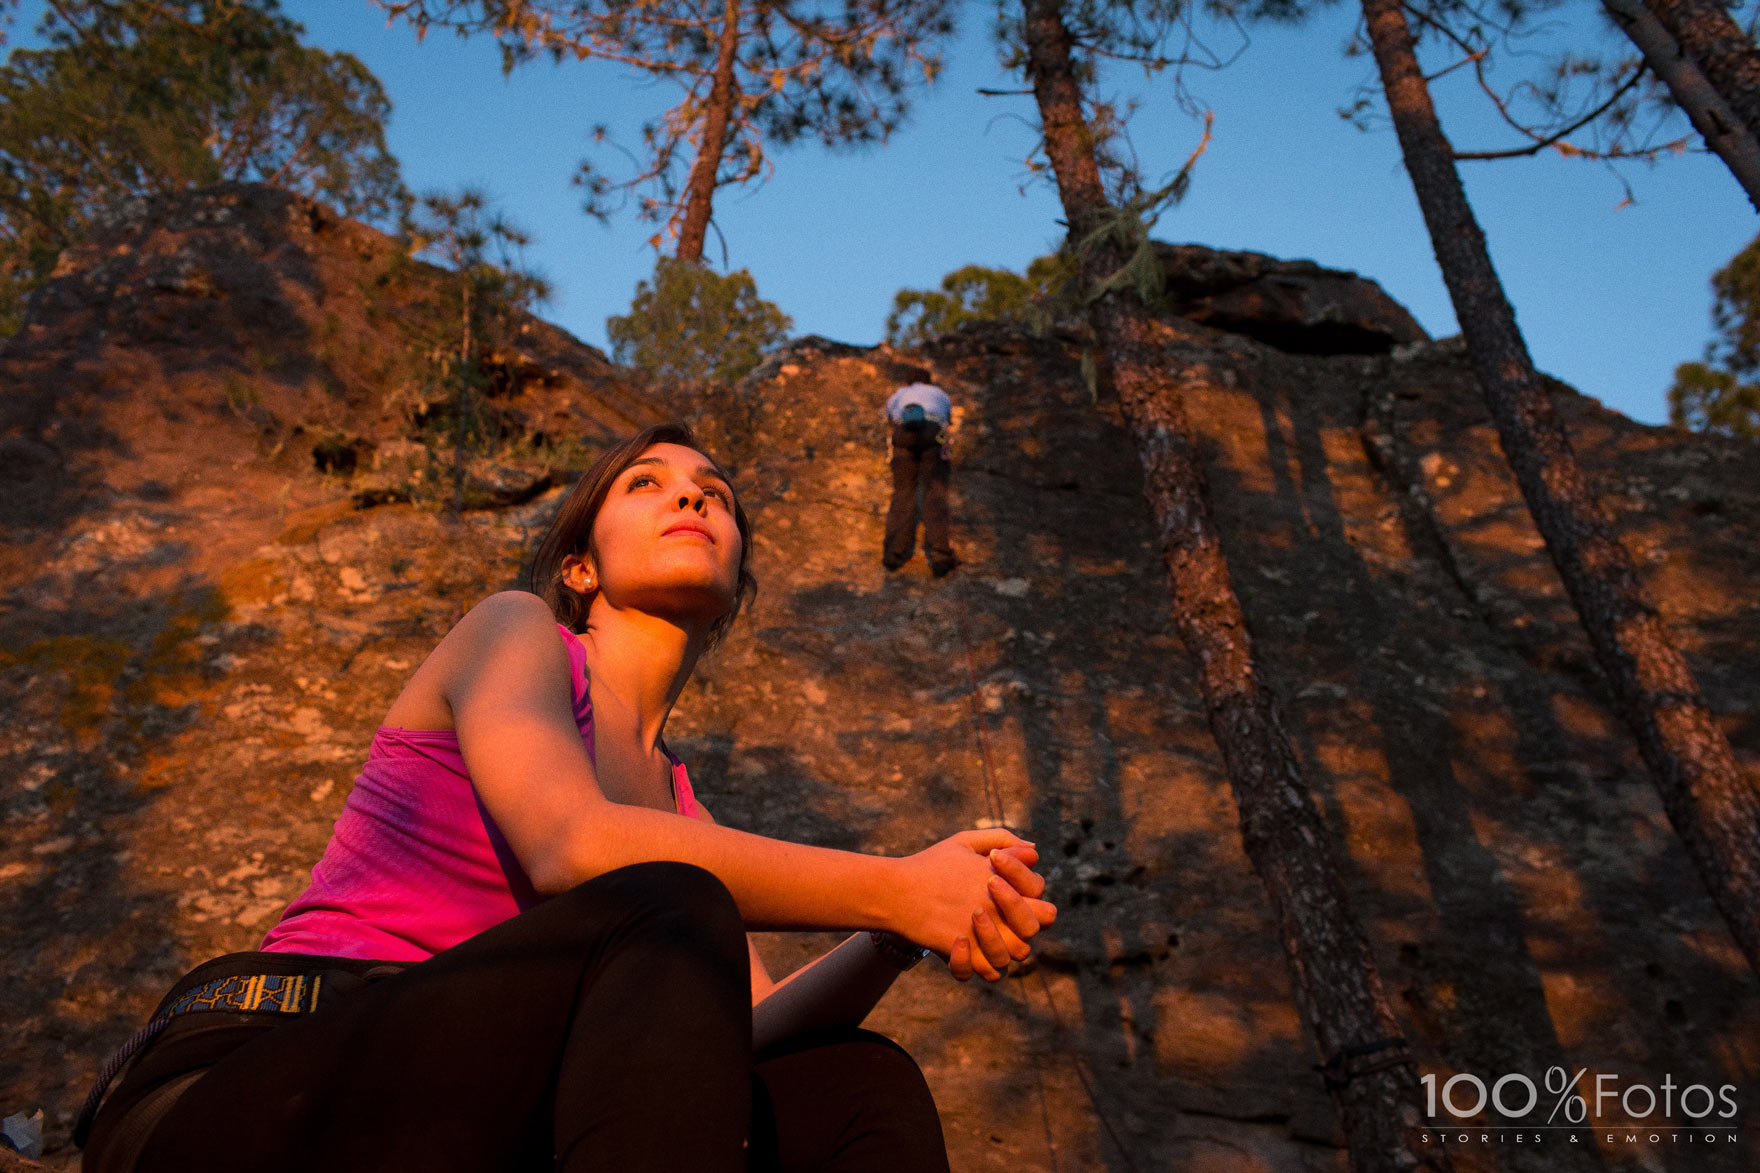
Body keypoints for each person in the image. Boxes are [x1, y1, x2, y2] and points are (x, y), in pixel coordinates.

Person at [76, 422, 1055, 1173]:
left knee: (855, 1078)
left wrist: (900, 930)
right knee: (671, 905)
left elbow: (741, 1030)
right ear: (580, 568)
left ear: (735, 576)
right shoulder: (516, 634)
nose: (691, 499)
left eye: (713, 495)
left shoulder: (678, 807)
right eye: (648, 485)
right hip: (246, 1088)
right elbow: (568, 843)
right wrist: (893, 886)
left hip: (474, 1114)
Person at [882, 370, 957, 577]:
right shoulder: (939, 393)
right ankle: (940, 553)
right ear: (927, 381)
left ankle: (893, 553)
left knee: (903, 493)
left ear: (909, 381)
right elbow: (947, 419)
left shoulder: (899, 394)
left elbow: (889, 416)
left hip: (903, 434)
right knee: (935, 492)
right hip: (933, 432)